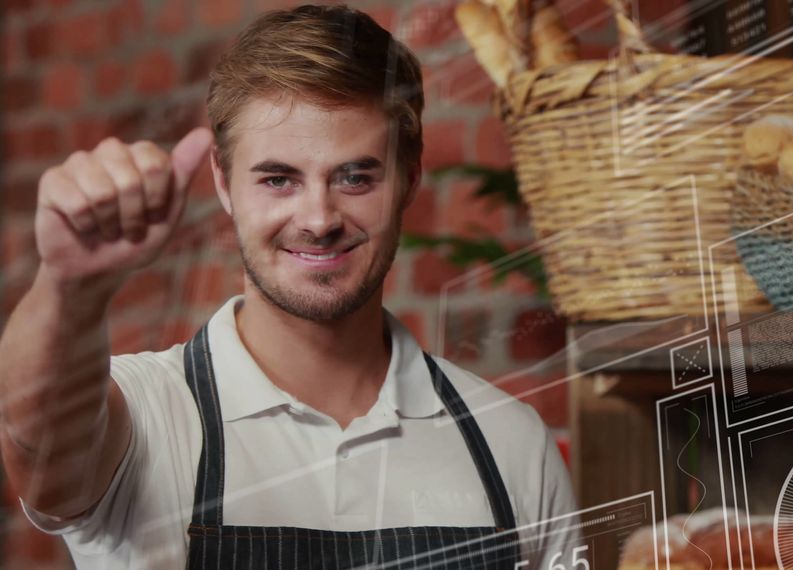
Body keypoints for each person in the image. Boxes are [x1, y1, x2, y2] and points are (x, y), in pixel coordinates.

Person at [0, 4, 578, 568]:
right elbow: (37, 446)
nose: (319, 218)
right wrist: (69, 285)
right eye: (279, 179)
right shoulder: (146, 414)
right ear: (224, 184)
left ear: (409, 177)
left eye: (355, 177)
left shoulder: (511, 445)